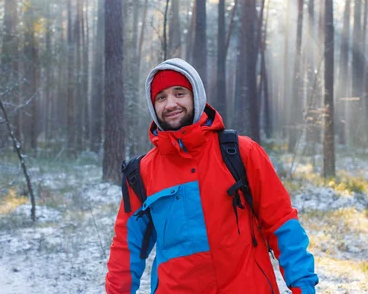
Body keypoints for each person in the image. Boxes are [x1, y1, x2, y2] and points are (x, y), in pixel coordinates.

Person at [105, 58, 318, 294]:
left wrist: (303, 285)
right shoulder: (142, 173)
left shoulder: (240, 152)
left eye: (179, 93)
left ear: (196, 95)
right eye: (161, 97)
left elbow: (281, 222)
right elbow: (127, 248)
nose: (170, 104)